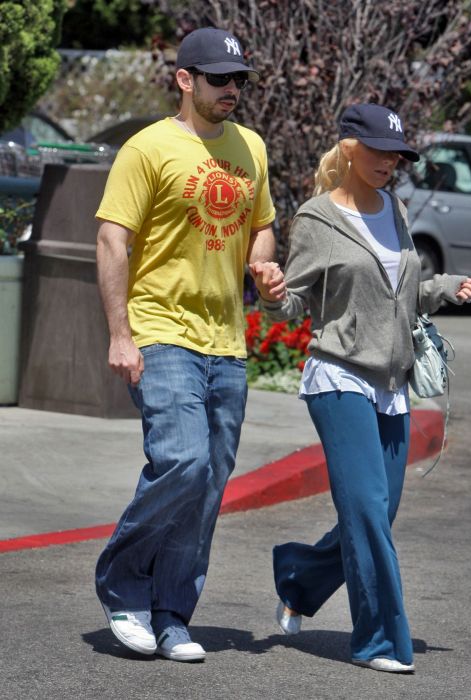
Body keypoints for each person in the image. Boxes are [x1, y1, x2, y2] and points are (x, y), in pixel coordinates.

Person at [251, 103, 471, 674]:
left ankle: (300, 580)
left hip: (391, 382)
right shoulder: (317, 218)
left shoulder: (394, 209)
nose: (389, 162)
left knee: (376, 512)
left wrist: (446, 287)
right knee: (368, 510)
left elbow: (401, 294)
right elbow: (295, 301)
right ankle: (379, 639)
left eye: (398, 155)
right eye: (380, 151)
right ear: (351, 147)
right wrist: (273, 292)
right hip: (339, 377)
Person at [94, 26, 284, 663]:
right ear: (185, 80)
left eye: (239, 80)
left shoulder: (251, 146)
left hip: (226, 340)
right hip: (161, 330)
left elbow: (261, 227)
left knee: (208, 485)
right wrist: (120, 334)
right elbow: (111, 240)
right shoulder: (148, 148)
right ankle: (123, 586)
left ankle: (172, 614)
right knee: (184, 461)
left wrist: (262, 265)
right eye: (219, 79)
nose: (232, 90)